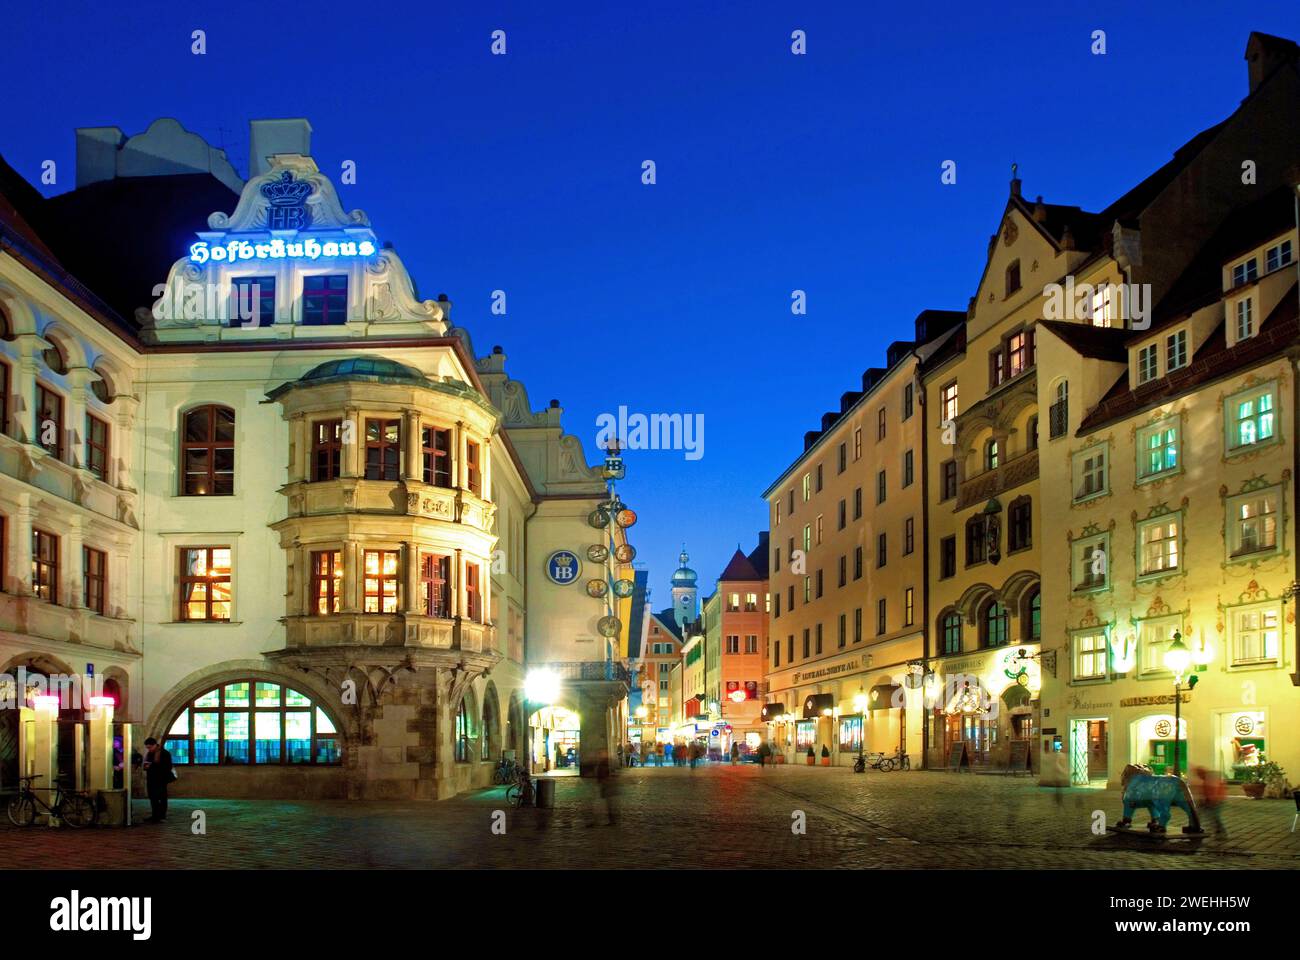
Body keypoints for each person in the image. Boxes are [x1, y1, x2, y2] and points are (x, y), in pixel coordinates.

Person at [141, 737, 173, 824]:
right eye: (147, 747)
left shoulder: (164, 753)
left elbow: (168, 767)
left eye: (150, 747)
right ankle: (155, 815)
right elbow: (147, 764)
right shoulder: (150, 754)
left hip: (161, 780)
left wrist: (152, 766)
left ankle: (161, 816)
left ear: (155, 745)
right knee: (153, 798)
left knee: (162, 798)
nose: (149, 749)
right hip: (151, 779)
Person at [1192, 766, 1228, 837]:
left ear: (1202, 773)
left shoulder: (1210, 778)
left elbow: (1213, 791)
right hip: (1213, 799)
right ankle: (1217, 830)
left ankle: (1221, 831)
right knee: (1209, 815)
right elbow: (1205, 790)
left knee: (1214, 816)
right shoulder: (1206, 778)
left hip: (1217, 799)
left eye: (1198, 774)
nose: (1198, 776)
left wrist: (1210, 801)